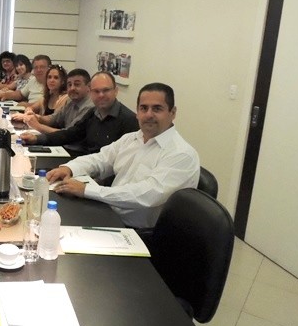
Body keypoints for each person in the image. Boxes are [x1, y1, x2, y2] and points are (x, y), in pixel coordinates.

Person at [47, 82, 200, 230]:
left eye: (157, 108)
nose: (149, 114)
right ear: (137, 112)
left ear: (172, 113)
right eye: (144, 108)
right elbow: (101, 159)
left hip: (139, 233)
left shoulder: (181, 154)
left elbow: (145, 195)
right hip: (109, 213)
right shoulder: (132, 138)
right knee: (51, 219)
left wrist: (87, 190)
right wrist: (69, 168)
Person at [21, 71, 138, 156]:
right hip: (86, 165)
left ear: (116, 91)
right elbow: (70, 134)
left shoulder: (129, 120)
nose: (101, 95)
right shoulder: (93, 113)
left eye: (106, 90)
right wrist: (37, 139)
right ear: (91, 92)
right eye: (96, 91)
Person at [15, 68, 93, 135]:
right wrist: (35, 117)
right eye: (69, 85)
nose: (72, 88)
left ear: (89, 87)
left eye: (77, 84)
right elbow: (54, 119)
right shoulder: (70, 101)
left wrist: (37, 126)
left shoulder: (88, 107)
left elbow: (68, 134)